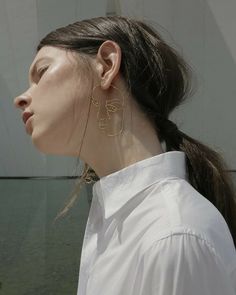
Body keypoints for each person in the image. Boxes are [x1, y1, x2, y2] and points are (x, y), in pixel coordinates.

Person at [14, 16, 236, 295]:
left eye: (42, 72)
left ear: (106, 65)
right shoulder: (118, 221)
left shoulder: (172, 236)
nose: (20, 98)